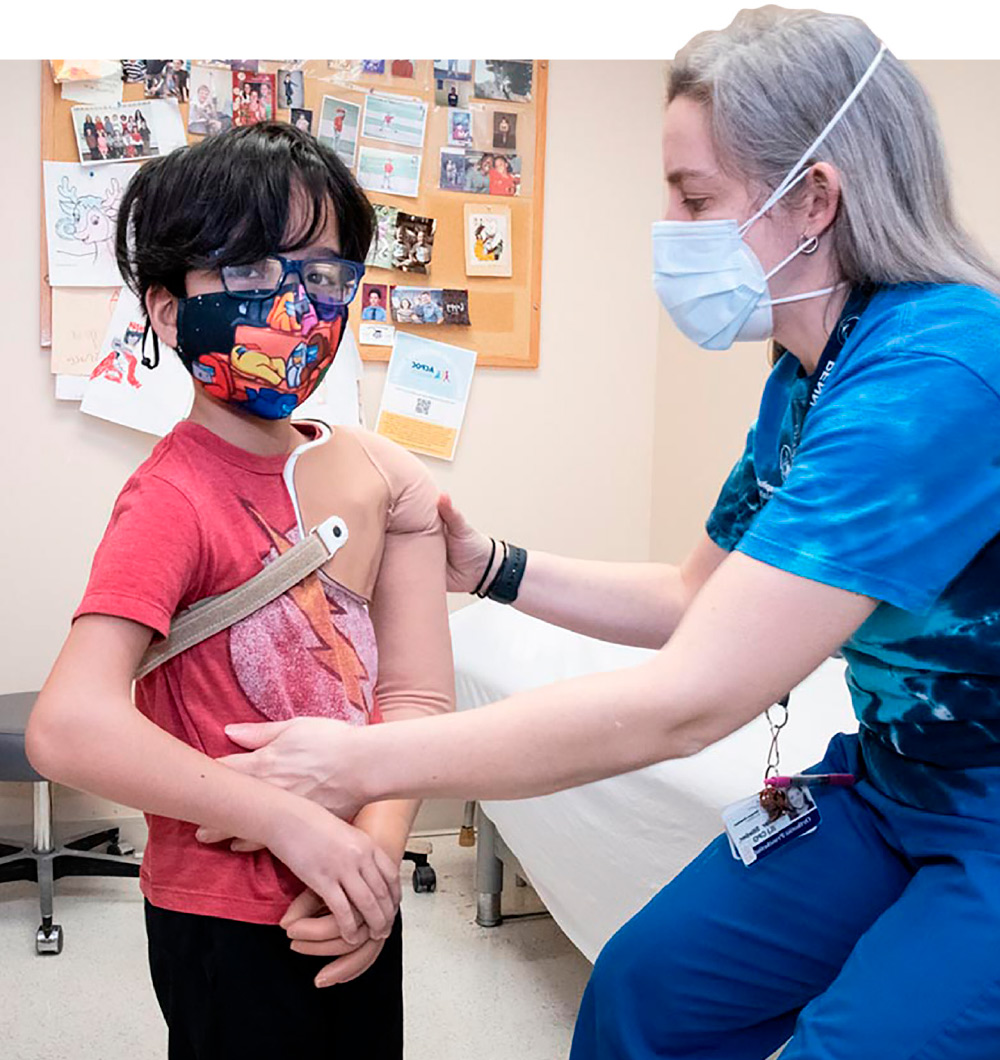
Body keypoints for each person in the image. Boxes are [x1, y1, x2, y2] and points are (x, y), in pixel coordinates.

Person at [200, 9, 1000, 1058]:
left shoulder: (936, 375)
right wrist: (488, 567)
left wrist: (362, 759)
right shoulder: (811, 376)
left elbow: (691, 698)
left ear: (816, 196)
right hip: (896, 782)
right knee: (644, 995)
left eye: (695, 197)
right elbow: (688, 601)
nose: (670, 226)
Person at [26, 122, 453, 1060]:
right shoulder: (172, 496)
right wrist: (295, 826)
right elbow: (68, 725)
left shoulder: (369, 474)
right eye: (252, 271)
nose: (296, 306)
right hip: (224, 919)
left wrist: (371, 859)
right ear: (170, 311)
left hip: (356, 893)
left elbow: (413, 698)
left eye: (324, 274)